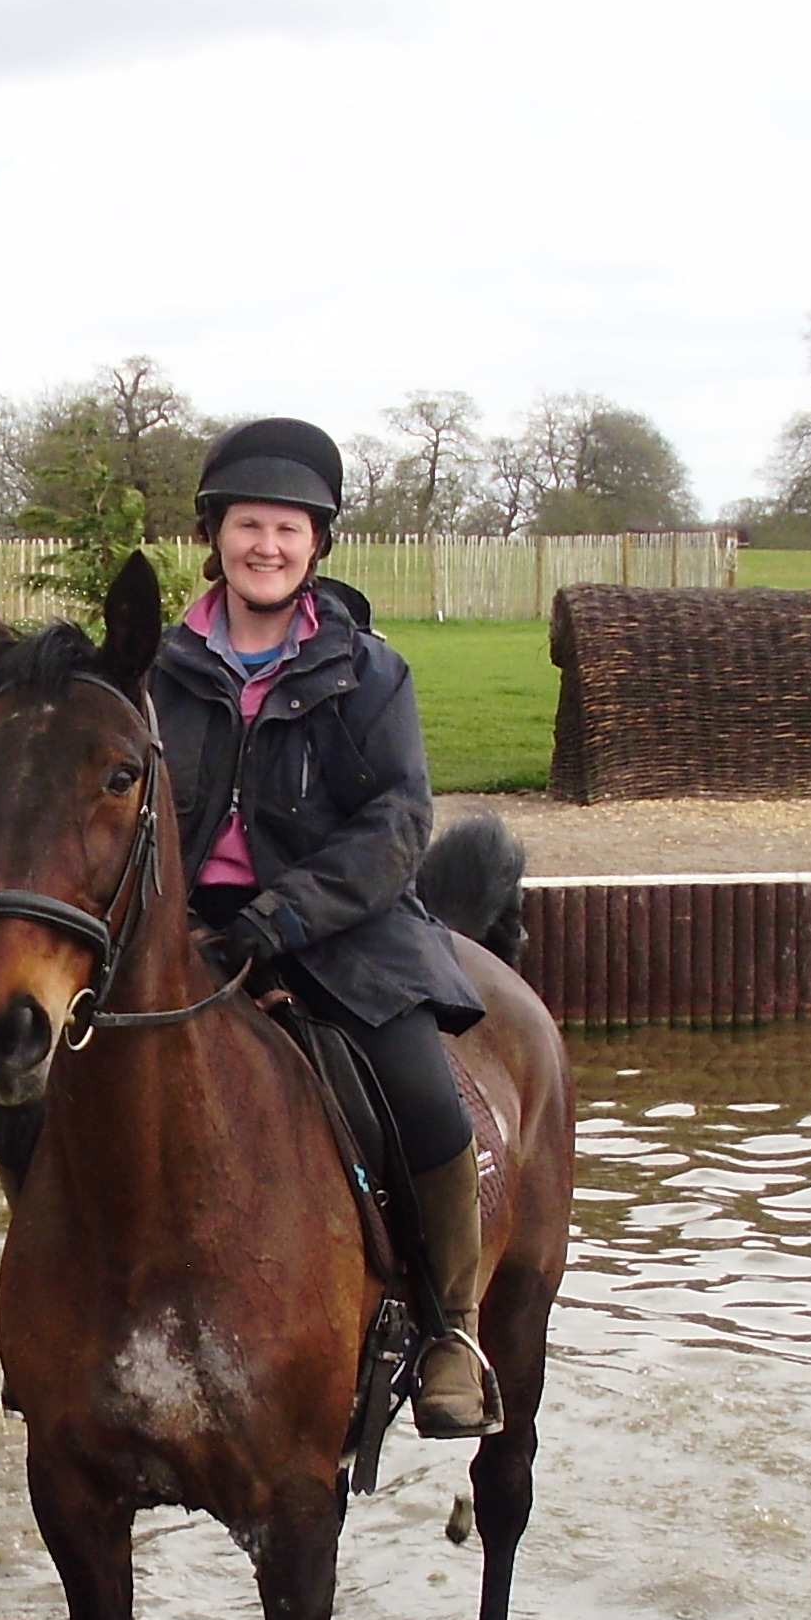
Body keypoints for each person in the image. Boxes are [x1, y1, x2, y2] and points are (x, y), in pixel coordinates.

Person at [153, 417, 499, 1436]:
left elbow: (398, 824)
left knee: (426, 1103)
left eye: (288, 530)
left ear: (316, 545)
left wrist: (282, 917)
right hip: (181, 928)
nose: (266, 546)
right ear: (215, 535)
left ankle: (452, 1331)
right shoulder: (159, 671)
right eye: (248, 526)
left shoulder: (370, 672)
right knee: (49, 1077)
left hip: (340, 928)